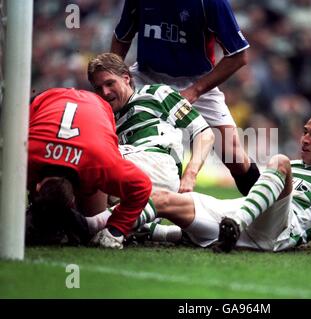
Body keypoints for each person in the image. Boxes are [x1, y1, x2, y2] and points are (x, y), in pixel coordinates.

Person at [87, 113, 311, 255]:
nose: (305, 139)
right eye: (305, 132)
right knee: (162, 198)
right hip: (241, 212)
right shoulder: (293, 165)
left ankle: (232, 226)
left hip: (276, 231)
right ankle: (99, 229)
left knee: (278, 163)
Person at [110, 0, 260, 195]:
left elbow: (239, 56)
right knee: (118, 143)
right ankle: (111, 215)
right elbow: (122, 37)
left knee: (234, 157)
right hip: (145, 76)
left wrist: (195, 90)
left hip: (196, 80)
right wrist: (113, 77)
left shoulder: (211, 3)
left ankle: (264, 213)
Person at [26, 88, 152, 249]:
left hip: (54, 99)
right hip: (71, 106)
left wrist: (116, 229)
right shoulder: (25, 155)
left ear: (37, 186)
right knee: (90, 223)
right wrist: (117, 228)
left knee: (90, 219)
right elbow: (142, 185)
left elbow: (142, 187)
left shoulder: (23, 157)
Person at [87, 53, 215, 193]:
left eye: (110, 83)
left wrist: (190, 175)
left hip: (157, 165)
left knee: (93, 160)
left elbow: (204, 133)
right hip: (127, 173)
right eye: (98, 88)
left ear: (126, 78)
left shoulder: (157, 93)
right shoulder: (105, 119)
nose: (105, 92)